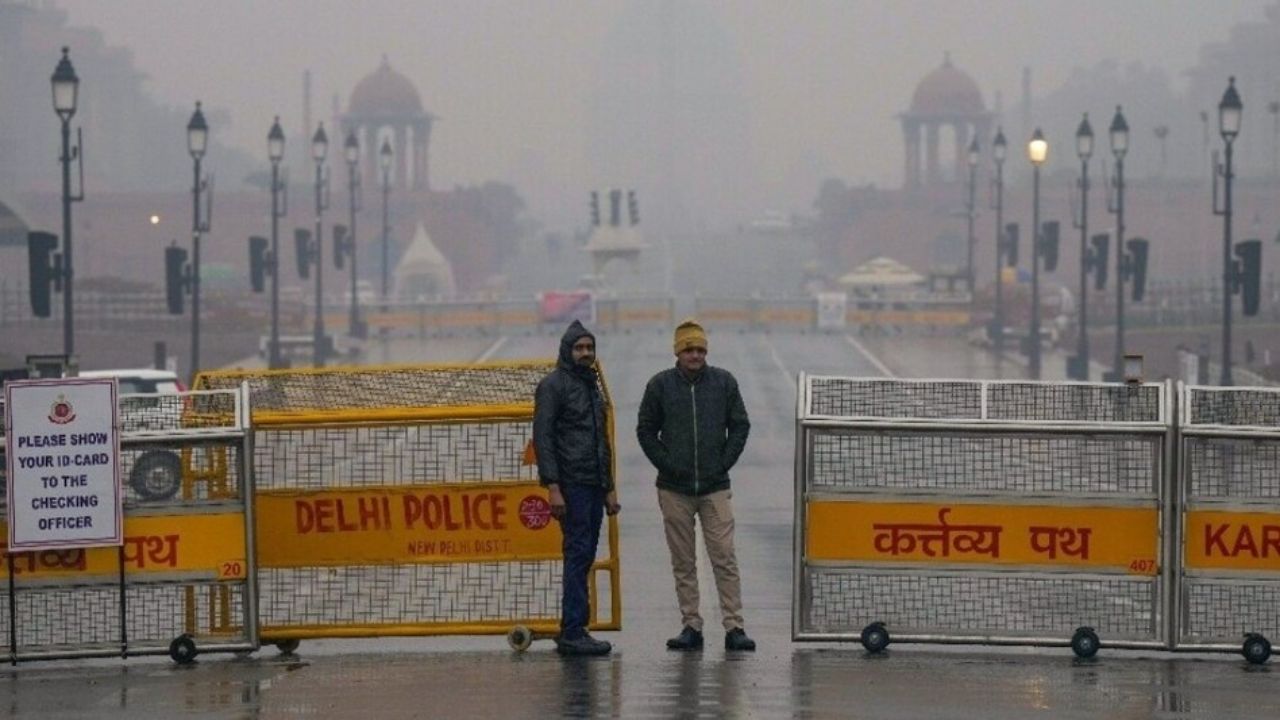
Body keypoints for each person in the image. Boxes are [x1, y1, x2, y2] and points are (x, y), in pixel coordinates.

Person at [637, 318, 755, 651]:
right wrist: (667, 464)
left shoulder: (724, 382)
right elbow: (646, 430)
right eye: (689, 349)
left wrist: (723, 462)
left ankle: (735, 626)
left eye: (701, 349)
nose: (695, 355)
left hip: (715, 487)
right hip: (674, 489)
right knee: (683, 561)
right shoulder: (659, 386)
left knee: (724, 557)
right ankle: (691, 624)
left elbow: (740, 425)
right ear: (678, 352)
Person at [533, 319, 620, 656]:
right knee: (577, 554)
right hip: (571, 485)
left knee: (583, 555)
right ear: (567, 351)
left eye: (589, 348)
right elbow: (543, 438)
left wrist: (609, 487)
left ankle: (575, 627)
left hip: (593, 484)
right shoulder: (554, 386)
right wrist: (553, 486)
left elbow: (602, 442)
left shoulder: (591, 386)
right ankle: (572, 630)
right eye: (579, 348)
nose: (585, 353)